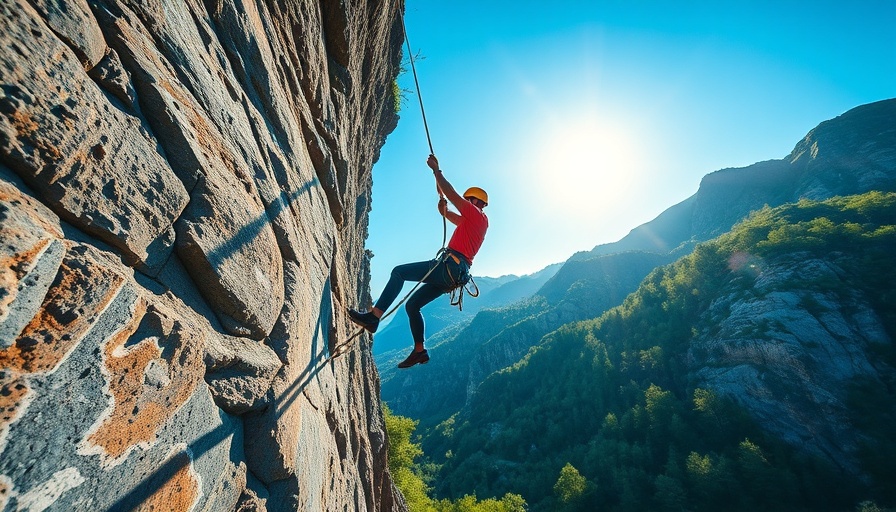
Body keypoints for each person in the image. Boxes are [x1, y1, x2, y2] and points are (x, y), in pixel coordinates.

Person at [348, 154, 489, 368]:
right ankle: (419, 351)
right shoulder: (474, 222)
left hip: (449, 267)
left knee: (399, 272)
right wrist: (443, 208)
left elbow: (451, 194)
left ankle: (374, 316)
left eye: (469, 200)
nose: (466, 202)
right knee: (413, 305)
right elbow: (448, 213)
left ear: (476, 202)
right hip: (453, 276)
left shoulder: (476, 214)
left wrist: (436, 170)